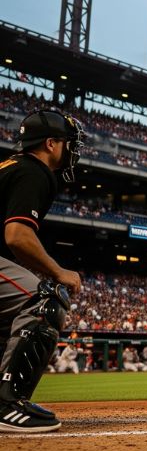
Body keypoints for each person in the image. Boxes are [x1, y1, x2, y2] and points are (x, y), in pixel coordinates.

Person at [0, 109, 85, 434]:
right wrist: (58, 271)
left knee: (9, 320)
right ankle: (7, 402)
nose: (71, 151)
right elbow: (17, 235)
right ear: (51, 144)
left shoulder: (10, 166)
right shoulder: (33, 170)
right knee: (44, 299)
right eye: (66, 143)